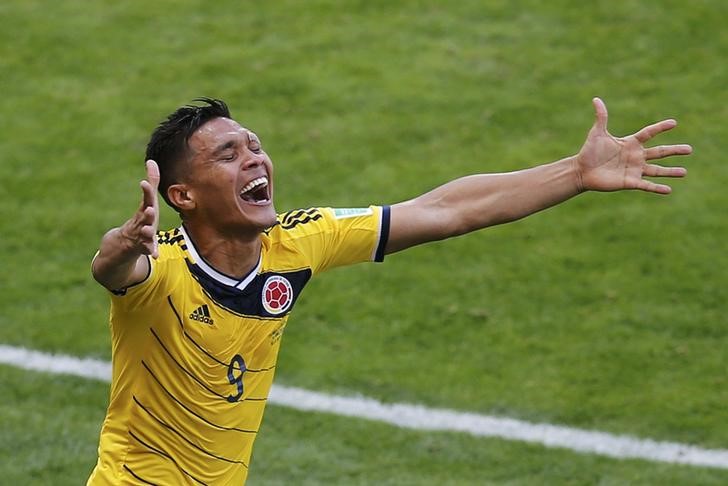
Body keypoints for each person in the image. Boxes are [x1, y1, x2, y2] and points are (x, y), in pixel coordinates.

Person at [87, 97, 690, 485]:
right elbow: (114, 272)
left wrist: (576, 173)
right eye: (228, 154)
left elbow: (445, 210)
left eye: (255, 145)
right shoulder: (159, 265)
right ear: (183, 196)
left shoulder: (299, 244)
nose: (255, 159)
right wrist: (121, 245)